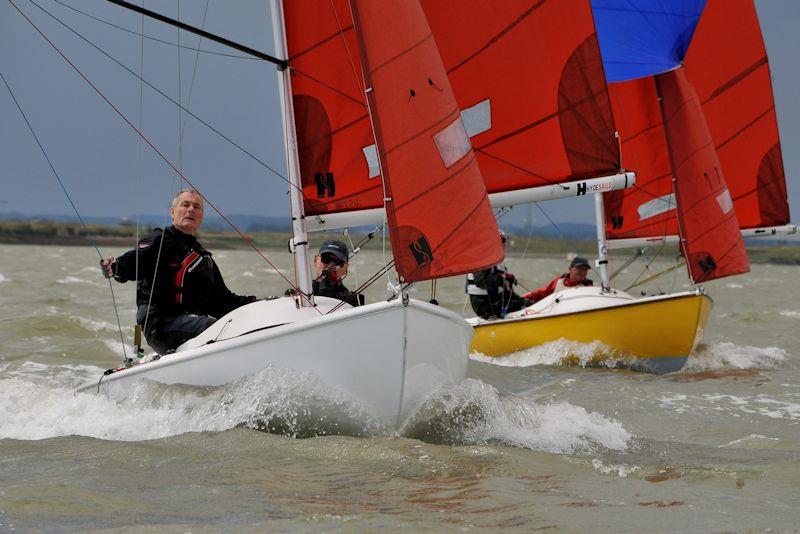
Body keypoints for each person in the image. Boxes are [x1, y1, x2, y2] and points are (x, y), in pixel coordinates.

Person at [100, 189, 257, 354]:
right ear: (172, 212)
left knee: (231, 324)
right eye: (185, 205)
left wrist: (257, 304)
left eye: (197, 207)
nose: (191, 209)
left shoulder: (203, 257)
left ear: (201, 216)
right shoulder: (158, 241)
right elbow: (134, 261)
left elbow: (222, 300)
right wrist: (115, 267)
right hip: (160, 326)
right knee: (211, 326)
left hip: (193, 324)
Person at [466, 231, 529, 319]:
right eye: (500, 241)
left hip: (498, 302)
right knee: (520, 306)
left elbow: (508, 294)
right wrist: (501, 278)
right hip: (484, 306)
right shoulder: (482, 261)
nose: (503, 244)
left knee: (527, 304)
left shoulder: (501, 266)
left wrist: (523, 301)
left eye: (503, 240)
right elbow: (480, 282)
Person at [522, 256, 594, 303]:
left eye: (585, 269)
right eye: (579, 268)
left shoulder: (588, 287)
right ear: (570, 269)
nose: (582, 272)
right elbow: (541, 292)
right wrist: (523, 298)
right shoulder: (559, 281)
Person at [312, 240, 362, 307]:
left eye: (338, 262)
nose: (330, 265)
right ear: (315, 261)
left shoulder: (353, 301)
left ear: (345, 268)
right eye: (326, 259)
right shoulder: (301, 295)